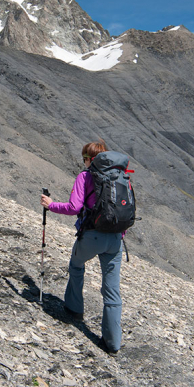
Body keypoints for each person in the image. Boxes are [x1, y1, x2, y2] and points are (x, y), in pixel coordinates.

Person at [41, 139, 124, 353]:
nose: (84, 161)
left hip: (92, 236)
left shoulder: (85, 176)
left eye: (85, 158)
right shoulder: (121, 177)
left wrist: (51, 206)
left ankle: (74, 308)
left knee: (77, 265)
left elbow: (73, 207)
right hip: (116, 239)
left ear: (89, 159)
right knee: (112, 290)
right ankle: (113, 343)